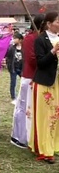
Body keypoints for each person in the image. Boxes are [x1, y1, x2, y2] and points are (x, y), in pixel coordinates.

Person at [29, 11, 59, 164]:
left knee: (56, 116)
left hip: (57, 82)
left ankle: (54, 145)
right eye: (58, 22)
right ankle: (43, 150)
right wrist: (54, 51)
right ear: (49, 23)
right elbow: (40, 63)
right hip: (44, 83)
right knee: (45, 117)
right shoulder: (41, 40)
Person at [11, 14, 44, 148]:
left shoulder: (45, 38)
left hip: (42, 78)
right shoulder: (31, 38)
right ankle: (20, 137)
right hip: (30, 77)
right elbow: (32, 59)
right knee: (25, 108)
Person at [6, 32, 24, 104]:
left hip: (22, 68)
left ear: (20, 40)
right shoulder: (11, 47)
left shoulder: (24, 48)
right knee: (13, 83)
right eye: (13, 38)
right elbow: (7, 55)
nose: (14, 40)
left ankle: (22, 96)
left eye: (15, 38)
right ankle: (13, 97)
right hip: (13, 68)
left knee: (23, 83)